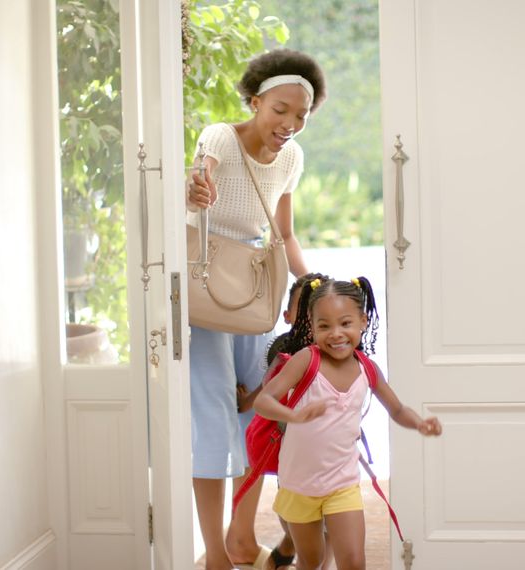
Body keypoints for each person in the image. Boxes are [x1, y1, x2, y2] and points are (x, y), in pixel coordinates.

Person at [185, 48, 327, 570]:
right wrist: (196, 190)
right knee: (211, 414)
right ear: (255, 100)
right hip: (204, 283)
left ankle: (242, 537)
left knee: (254, 411)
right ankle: (217, 555)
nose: (289, 124)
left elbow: (283, 233)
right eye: (279, 110)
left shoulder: (291, 157)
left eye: (300, 116)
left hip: (252, 289)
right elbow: (198, 187)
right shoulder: (221, 137)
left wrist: (310, 285)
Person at [253, 277, 443, 569]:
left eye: (345, 323)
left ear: (363, 321)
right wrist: (292, 415)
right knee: (312, 559)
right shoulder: (306, 360)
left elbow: (397, 409)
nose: (336, 334)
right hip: (298, 484)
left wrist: (419, 424)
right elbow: (263, 401)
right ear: (312, 327)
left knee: (354, 561)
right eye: (324, 326)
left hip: (342, 484)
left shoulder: (367, 368)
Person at [236, 272, 329, 570]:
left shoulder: (336, 348)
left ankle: (316, 558)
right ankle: (291, 539)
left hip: (327, 446)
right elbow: (268, 386)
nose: (309, 319)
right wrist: (245, 403)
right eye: (301, 311)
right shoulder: (283, 350)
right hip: (288, 442)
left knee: (328, 511)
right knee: (290, 505)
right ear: (287, 315)